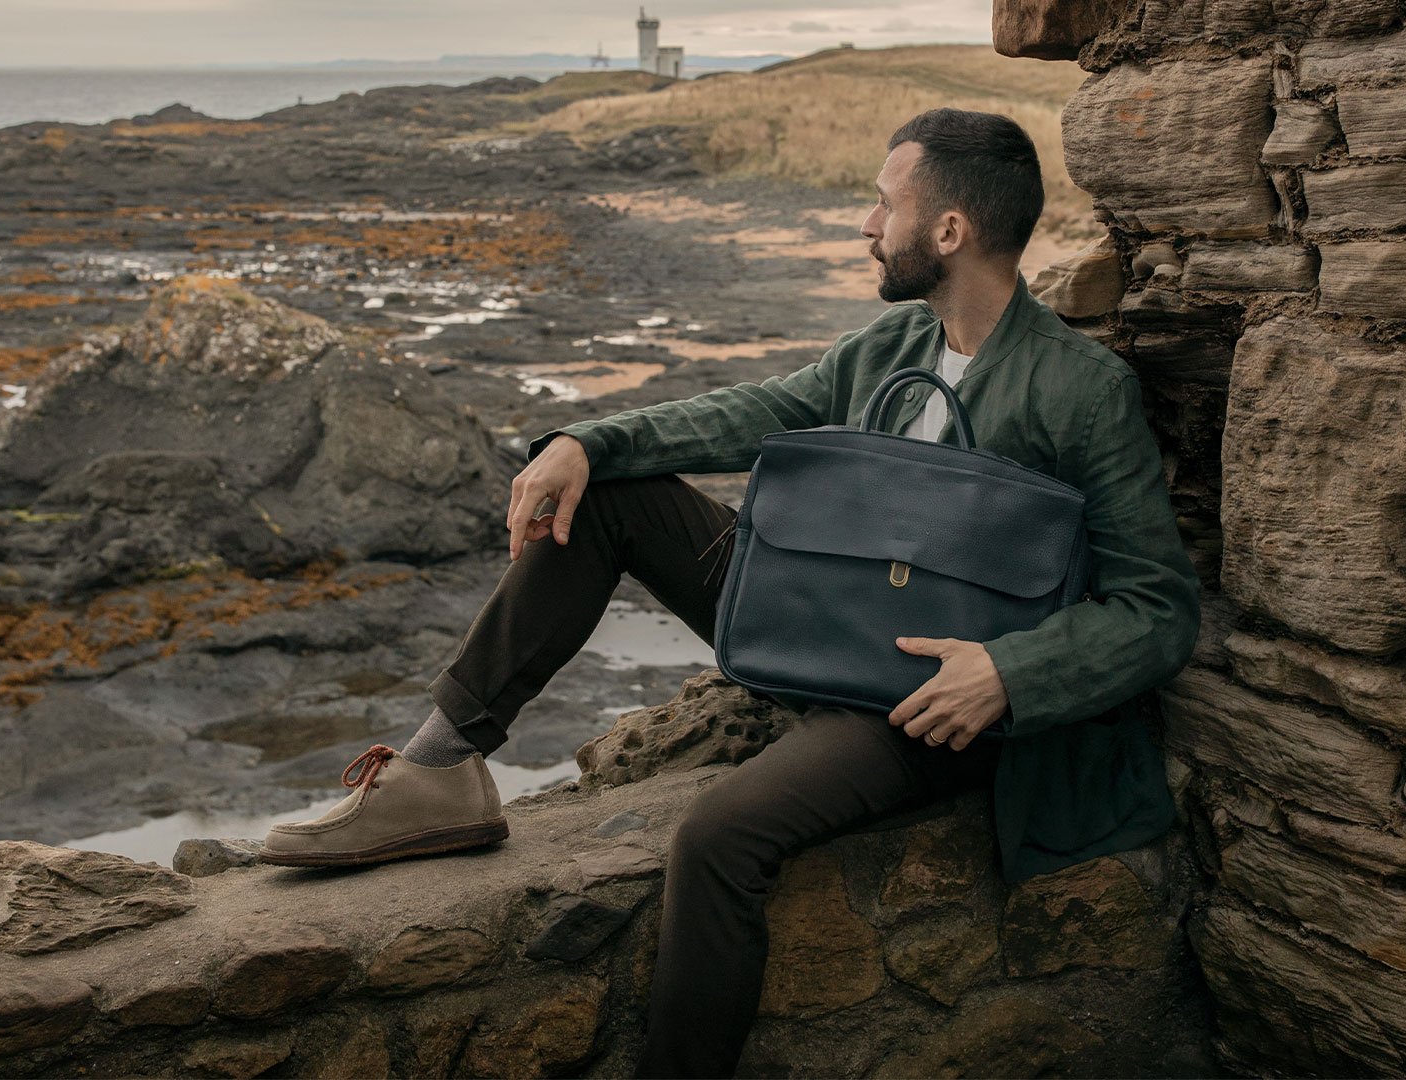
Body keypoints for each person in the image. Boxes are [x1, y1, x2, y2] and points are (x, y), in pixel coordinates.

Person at [259, 107, 1202, 1078]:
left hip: (925, 703)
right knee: (612, 494)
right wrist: (588, 442)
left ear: (950, 231)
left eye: (884, 207)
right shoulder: (885, 354)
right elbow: (745, 413)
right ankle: (438, 770)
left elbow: (1157, 609)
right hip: (829, 623)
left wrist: (1009, 673)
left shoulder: (1079, 391)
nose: (866, 227)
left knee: (713, 839)